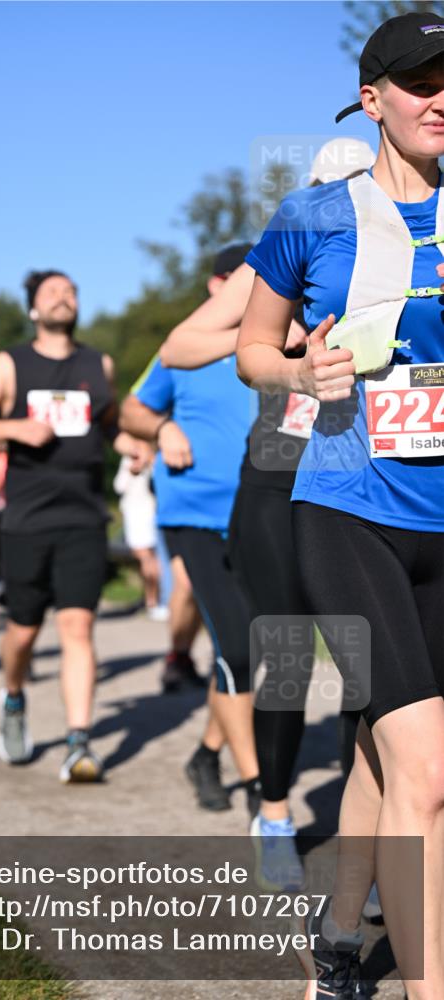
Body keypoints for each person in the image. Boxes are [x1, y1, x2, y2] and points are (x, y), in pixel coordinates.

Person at [236, 13, 444, 997]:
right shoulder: (312, 215)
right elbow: (249, 349)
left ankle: (334, 941)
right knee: (428, 767)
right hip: (346, 502)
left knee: (386, 749)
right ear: (372, 99)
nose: (440, 97)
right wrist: (298, 368)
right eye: (419, 81)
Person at [161, 139, 375, 888]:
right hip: (276, 479)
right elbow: (180, 345)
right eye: (330, 188)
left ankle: (366, 844)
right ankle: (275, 811)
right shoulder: (289, 241)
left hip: (361, 477)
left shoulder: (409, 240)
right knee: (284, 654)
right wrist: (272, 335)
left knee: (366, 668)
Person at [0, 270, 149, 783]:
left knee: (78, 626)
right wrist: (14, 426)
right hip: (26, 517)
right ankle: (14, 697)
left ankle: (78, 742)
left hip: (84, 514)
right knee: (22, 632)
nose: (63, 298)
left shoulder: (97, 363)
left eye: (70, 291)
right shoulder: (9, 364)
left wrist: (128, 445)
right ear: (33, 310)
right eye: (52, 293)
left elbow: (108, 423)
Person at [121, 245, 263, 817]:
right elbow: (131, 411)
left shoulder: (276, 338)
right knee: (236, 642)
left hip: (260, 514)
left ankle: (206, 754)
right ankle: (260, 786)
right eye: (241, 278)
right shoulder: (183, 349)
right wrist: (162, 427)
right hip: (194, 514)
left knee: (251, 646)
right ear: (216, 285)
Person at [113, 448, 166, 620]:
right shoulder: (155, 456)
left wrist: (129, 471)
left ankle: (153, 601)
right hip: (152, 511)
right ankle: (155, 599)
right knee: (152, 557)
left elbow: (119, 486)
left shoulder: (131, 457)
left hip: (136, 512)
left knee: (146, 558)